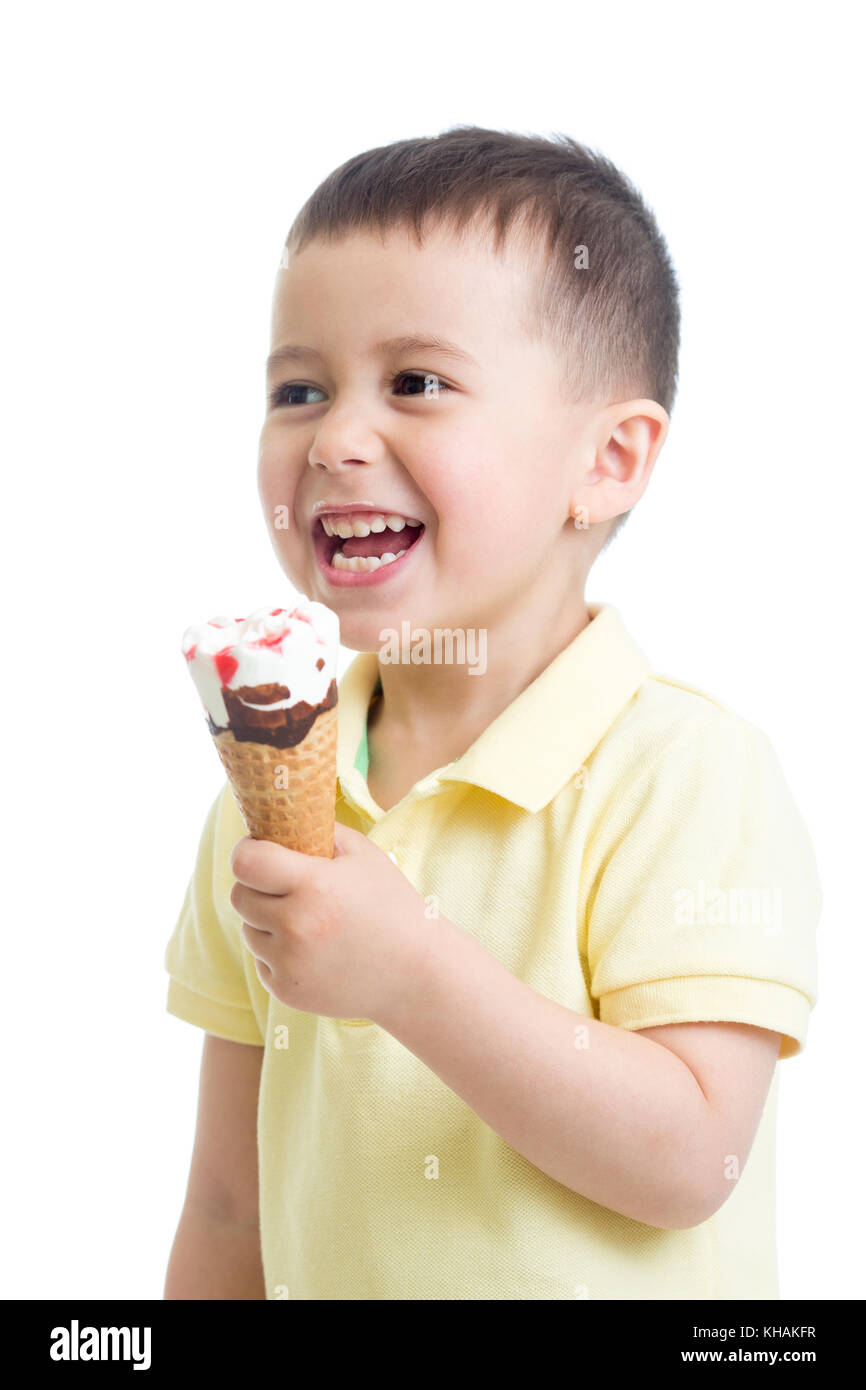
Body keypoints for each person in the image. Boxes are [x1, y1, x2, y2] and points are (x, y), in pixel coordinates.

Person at [163, 126, 820, 1300]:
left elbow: (689, 1156)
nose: (336, 439)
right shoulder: (267, 791)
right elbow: (226, 1202)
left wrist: (407, 970)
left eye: (415, 382)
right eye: (298, 388)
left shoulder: (684, 772)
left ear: (606, 462)